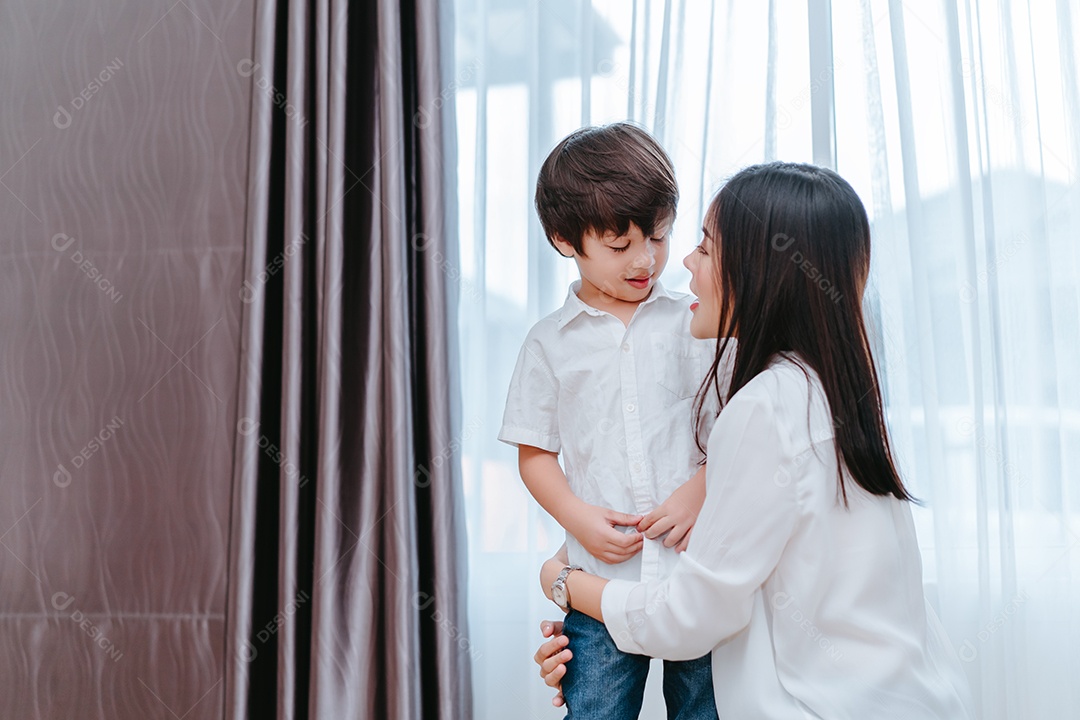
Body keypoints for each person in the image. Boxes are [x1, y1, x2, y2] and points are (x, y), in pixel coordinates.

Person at [533, 162, 976, 719]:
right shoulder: (827, 388)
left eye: (702, 247)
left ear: (757, 272)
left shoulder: (764, 408)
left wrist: (565, 583)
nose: (684, 265)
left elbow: (687, 617)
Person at [499, 123, 729, 719]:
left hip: (698, 571)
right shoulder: (548, 344)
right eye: (619, 245)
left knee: (707, 710)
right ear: (564, 240)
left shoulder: (695, 323)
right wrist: (577, 517)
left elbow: (739, 433)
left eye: (657, 237)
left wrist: (699, 491)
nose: (646, 260)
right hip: (600, 580)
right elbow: (534, 453)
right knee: (596, 710)